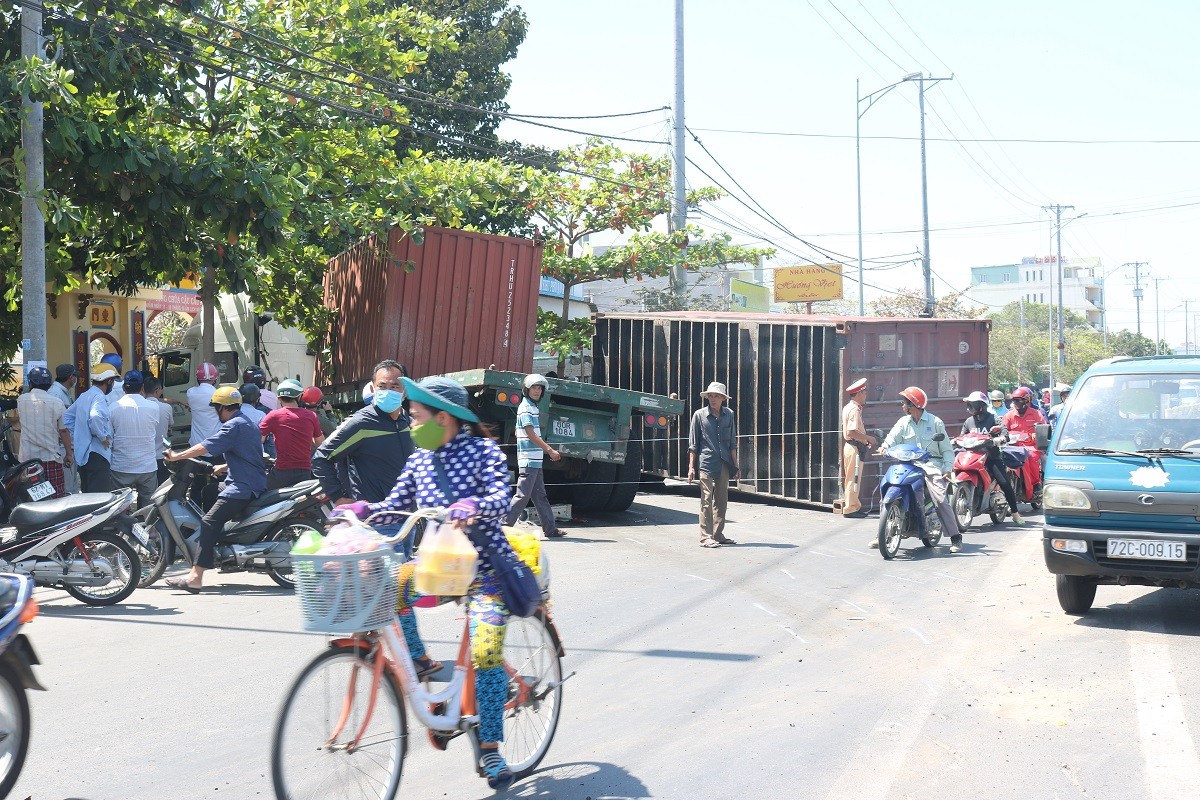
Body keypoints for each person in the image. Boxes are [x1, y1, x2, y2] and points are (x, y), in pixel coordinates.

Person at [334, 376, 518, 791]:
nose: (412, 424)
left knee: (486, 651)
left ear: (444, 418)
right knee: (384, 591)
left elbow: (500, 496)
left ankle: (489, 746)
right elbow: (395, 507)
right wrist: (361, 509)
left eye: (417, 417)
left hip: (486, 570)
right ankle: (417, 663)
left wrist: (475, 504)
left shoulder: (483, 450)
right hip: (439, 566)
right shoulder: (420, 458)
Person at [163, 386, 268, 593]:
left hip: (243, 486)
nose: (215, 412)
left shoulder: (233, 426)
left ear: (223, 408)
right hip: (250, 479)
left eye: (216, 408)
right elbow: (249, 454)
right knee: (209, 492)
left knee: (209, 521)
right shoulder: (248, 423)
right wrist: (225, 466)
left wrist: (176, 456)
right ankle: (220, 540)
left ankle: (195, 577)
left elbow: (205, 447)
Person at [313, 360, 416, 558]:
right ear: (373, 388)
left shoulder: (406, 420)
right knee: (386, 584)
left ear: (404, 390)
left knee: (403, 584)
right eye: (382, 386)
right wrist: (338, 497)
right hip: (376, 522)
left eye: (394, 386)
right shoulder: (361, 422)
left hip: (407, 519)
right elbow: (321, 457)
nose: (388, 391)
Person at [877, 386, 962, 552]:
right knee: (887, 489)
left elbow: (946, 450)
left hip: (931, 465)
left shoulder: (935, 422)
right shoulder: (903, 422)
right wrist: (884, 447)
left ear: (913, 405)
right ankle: (883, 532)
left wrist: (947, 468)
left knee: (939, 498)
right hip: (908, 464)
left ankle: (955, 537)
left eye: (905, 402)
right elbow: (891, 438)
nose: (902, 405)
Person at [504, 374, 566, 538]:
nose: (537, 391)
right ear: (527, 389)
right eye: (534, 388)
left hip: (535, 461)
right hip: (529, 460)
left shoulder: (532, 407)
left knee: (540, 496)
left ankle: (550, 529)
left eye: (539, 388)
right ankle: (503, 526)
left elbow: (520, 432)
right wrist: (550, 450)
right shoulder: (526, 408)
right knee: (522, 496)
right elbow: (530, 434)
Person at [687, 381, 740, 548]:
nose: (713, 399)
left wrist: (736, 466)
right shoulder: (699, 415)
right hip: (706, 462)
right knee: (706, 499)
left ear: (723, 398)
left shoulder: (729, 414)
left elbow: (732, 442)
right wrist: (691, 468)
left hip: (724, 462)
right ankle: (705, 537)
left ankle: (718, 534)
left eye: (716, 396)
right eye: (710, 395)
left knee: (722, 499)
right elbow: (693, 444)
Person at [960, 391, 1023, 526]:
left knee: (1004, 483)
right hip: (972, 457)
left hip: (991, 457)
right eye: (968, 405)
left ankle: (1015, 512)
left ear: (981, 406)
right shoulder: (968, 422)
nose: (969, 408)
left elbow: (1005, 434)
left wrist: (998, 439)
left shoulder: (994, 419)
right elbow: (962, 437)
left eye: (971, 405)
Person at [15, 367, 73, 498]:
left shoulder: (21, 400)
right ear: (50, 383)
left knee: (29, 497)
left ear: (30, 383)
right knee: (55, 497)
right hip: (51, 458)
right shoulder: (57, 403)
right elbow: (63, 431)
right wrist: (69, 454)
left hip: (28, 459)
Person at [108, 371, 161, 508]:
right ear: (142, 387)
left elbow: (109, 436)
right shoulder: (154, 407)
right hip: (147, 466)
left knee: (119, 505)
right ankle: (146, 528)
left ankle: (120, 528)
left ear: (124, 388)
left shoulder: (113, 408)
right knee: (148, 507)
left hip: (121, 465)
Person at [64, 363, 119, 492]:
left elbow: (67, 417)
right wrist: (102, 436)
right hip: (98, 453)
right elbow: (95, 417)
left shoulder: (85, 395)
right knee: (99, 498)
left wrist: (81, 432)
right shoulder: (99, 397)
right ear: (109, 381)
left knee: (88, 496)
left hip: (83, 454)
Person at [260, 379, 324, 489]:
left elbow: (257, 440)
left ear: (279, 398)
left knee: (258, 492)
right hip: (305, 473)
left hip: (281, 473)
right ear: (299, 397)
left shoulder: (273, 416)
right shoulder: (311, 416)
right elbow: (321, 443)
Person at [840, 378, 877, 519]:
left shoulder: (849, 407)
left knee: (853, 478)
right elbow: (851, 432)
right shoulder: (854, 410)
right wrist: (868, 438)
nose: (866, 394)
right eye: (864, 392)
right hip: (854, 448)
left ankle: (854, 505)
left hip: (853, 446)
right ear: (859, 393)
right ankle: (850, 508)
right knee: (853, 479)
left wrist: (863, 440)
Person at [47, 364, 79, 493]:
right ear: (71, 377)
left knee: (71, 484)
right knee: (67, 487)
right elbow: (60, 426)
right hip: (62, 446)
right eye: (75, 376)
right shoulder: (56, 394)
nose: (76, 379)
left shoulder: (61, 392)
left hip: (65, 445)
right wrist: (68, 451)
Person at [144, 377, 174, 482]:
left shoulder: (137, 408)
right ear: (157, 391)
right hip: (161, 456)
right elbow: (169, 427)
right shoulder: (166, 408)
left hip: (144, 458)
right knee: (161, 487)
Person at [187, 363, 221, 446]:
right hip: (215, 444)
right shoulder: (218, 394)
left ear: (198, 378)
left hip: (196, 444)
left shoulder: (191, 393)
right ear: (215, 379)